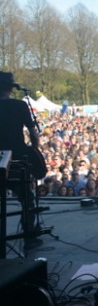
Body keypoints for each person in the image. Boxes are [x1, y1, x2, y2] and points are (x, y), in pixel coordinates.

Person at [0, 71, 46, 248]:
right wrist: (34, 149)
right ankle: (29, 237)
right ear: (11, 88)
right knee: (27, 198)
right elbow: (33, 133)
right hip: (17, 158)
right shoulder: (20, 105)